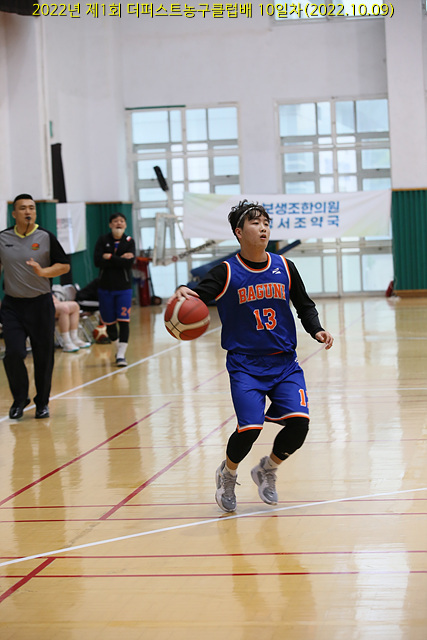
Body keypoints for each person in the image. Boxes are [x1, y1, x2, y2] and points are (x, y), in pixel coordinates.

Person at [168, 200, 334, 512]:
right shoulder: (227, 272)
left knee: (299, 424)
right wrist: (181, 289)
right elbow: (196, 294)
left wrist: (317, 329)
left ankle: (267, 469)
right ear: (239, 232)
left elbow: (304, 305)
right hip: (245, 365)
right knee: (250, 428)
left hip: (284, 362)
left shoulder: (284, 267)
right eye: (256, 223)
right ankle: (228, 473)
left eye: (266, 223)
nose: (263, 228)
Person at [0, 194, 70, 419]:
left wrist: (43, 272)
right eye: (22, 208)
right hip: (13, 305)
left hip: (40, 304)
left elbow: (64, 266)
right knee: (13, 353)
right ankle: (20, 399)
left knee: (43, 356)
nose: (28, 211)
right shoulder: (3, 238)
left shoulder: (46, 237)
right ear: (14, 213)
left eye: (31, 208)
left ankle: (42, 402)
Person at [94, 213, 135, 367]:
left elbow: (128, 263)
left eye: (122, 221)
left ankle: (121, 355)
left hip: (124, 288)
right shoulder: (102, 240)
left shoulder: (129, 241)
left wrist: (110, 257)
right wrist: (120, 259)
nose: (119, 223)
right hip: (105, 288)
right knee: (110, 323)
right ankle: (118, 351)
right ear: (110, 224)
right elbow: (97, 261)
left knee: (124, 321)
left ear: (125, 224)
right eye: (115, 221)